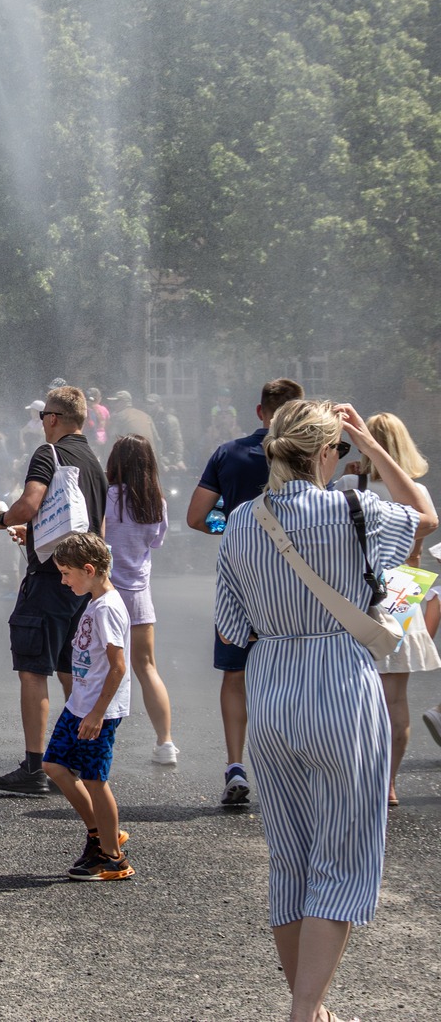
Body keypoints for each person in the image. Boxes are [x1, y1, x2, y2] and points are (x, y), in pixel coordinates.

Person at [213, 401, 434, 1022]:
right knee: (341, 855)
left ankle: (309, 1007)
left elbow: (233, 627)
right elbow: (426, 516)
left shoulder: (244, 521)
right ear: (324, 453)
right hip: (343, 684)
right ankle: (306, 1011)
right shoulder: (355, 508)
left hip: (273, 689)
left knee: (290, 857)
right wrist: (374, 441)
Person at [191, 377, 306, 808]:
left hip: (241, 576)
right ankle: (291, 766)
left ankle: (235, 764)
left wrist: (231, 529)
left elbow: (197, 516)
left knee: (235, 672)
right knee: (295, 670)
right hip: (297, 581)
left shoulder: (229, 453)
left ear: (260, 412)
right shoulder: (311, 456)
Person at [0, 386, 107, 797]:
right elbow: (96, 528)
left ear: (53, 418)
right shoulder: (94, 461)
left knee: (33, 670)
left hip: (48, 580)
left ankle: (35, 767)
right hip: (81, 581)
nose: (42, 425)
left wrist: (3, 519)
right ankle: (73, 758)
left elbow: (30, 503)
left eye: (43, 418)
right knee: (71, 669)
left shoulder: (47, 453)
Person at [342, 413, 438, 806]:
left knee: (354, 693)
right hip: (405, 587)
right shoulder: (418, 492)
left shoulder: (350, 485)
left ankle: (360, 775)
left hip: (360, 589)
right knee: (395, 698)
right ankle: (390, 783)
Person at [39, 531, 135, 881]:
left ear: (89, 569)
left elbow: (119, 666)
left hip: (98, 711)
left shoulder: (108, 608)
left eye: (67, 573)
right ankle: (99, 833)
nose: (64, 581)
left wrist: (97, 714)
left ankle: (113, 857)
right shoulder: (96, 602)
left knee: (95, 780)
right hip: (80, 704)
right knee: (54, 765)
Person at [104, 434, 176, 765]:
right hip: (139, 592)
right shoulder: (155, 500)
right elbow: (158, 542)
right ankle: (165, 743)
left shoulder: (108, 496)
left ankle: (94, 740)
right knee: (146, 667)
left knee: (99, 667)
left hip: (106, 592)